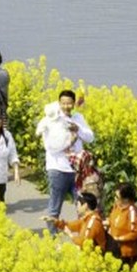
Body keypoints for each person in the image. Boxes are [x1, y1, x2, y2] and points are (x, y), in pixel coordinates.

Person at [36, 89, 94, 226]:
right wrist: (70, 142)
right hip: (57, 169)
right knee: (55, 207)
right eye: (63, 103)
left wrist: (77, 130)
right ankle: (52, 238)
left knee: (82, 206)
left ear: (74, 104)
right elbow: (50, 147)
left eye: (69, 103)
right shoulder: (50, 120)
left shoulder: (78, 118)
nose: (66, 106)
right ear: (59, 103)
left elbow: (90, 137)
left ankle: (82, 237)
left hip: (77, 171)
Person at [105, 183, 137, 265]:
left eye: (117, 197)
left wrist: (119, 238)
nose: (115, 199)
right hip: (113, 249)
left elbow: (135, 233)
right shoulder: (116, 207)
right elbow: (112, 221)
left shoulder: (131, 211)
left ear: (126, 199)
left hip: (126, 253)